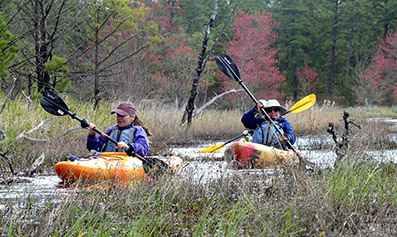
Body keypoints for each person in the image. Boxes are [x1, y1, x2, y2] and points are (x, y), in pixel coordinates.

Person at [86, 101, 152, 157]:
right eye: (118, 115)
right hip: (108, 163)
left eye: (122, 115)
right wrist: (92, 136)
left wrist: (129, 147)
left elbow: (143, 148)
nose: (119, 118)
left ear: (132, 117)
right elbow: (95, 147)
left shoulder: (138, 131)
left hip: (127, 165)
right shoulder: (112, 130)